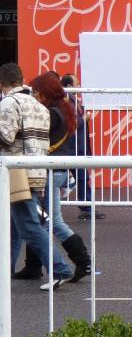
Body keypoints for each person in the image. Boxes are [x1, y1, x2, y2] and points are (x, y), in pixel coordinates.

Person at [13, 73, 94, 284]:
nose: (34, 96)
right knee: (45, 220)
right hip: (56, 170)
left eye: (37, 92)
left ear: (46, 92)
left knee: (44, 223)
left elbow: (35, 136)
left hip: (48, 171)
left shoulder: (51, 113)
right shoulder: (64, 109)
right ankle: (35, 266)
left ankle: (77, 263)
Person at [0, 63, 74, 290]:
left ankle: (60, 269)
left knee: (28, 227)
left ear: (2, 84)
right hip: (37, 172)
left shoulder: (9, 103)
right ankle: (5, 270)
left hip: (16, 174)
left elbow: (6, 138)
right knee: (18, 226)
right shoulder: (38, 106)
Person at [60, 73, 104, 222]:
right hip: (73, 147)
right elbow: (71, 124)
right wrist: (84, 118)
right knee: (80, 178)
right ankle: (86, 208)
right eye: (77, 83)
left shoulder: (73, 100)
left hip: (76, 147)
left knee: (81, 178)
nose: (80, 86)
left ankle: (86, 207)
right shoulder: (67, 102)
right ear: (69, 86)